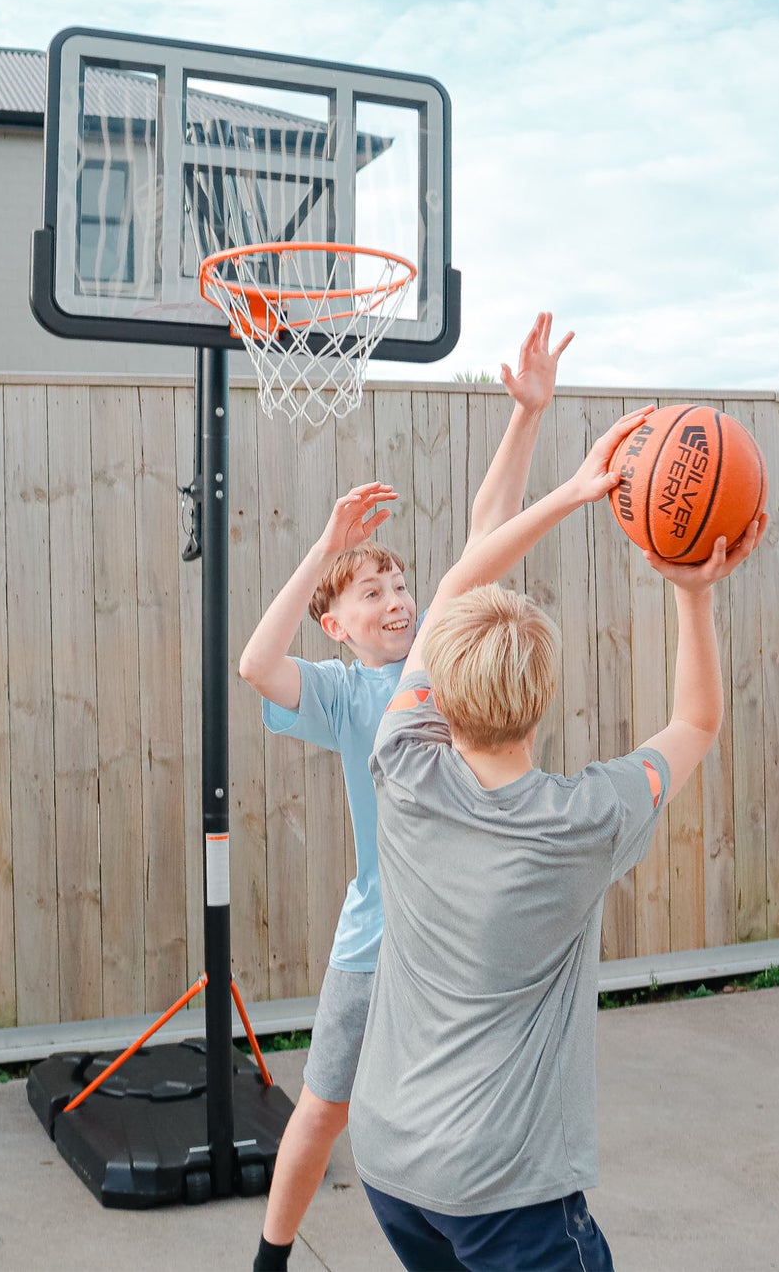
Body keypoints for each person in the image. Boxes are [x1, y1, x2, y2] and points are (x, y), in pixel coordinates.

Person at [348, 409, 766, 1271]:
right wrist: (692, 590)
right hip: (505, 1192)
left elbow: (462, 579)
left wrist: (574, 492)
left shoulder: (400, 763)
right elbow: (696, 718)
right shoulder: (585, 822)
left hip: (389, 1160)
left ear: (438, 694)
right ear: (543, 696)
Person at [240, 316, 574, 1272]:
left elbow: (485, 537)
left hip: (465, 930)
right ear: (336, 625)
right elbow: (257, 664)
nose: (394, 600)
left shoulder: (443, 661)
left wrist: (524, 420)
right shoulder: (346, 693)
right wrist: (326, 545)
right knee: (327, 1100)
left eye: (398, 583)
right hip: (382, 931)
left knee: (468, 1112)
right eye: (369, 592)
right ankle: (270, 1256)